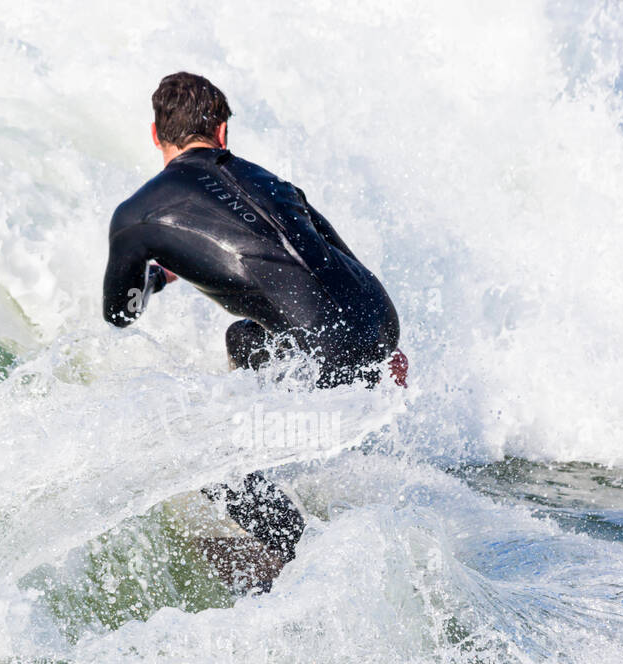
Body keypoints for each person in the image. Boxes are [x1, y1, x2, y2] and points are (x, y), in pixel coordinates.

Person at [102, 72, 405, 578]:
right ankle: (265, 438)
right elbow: (334, 255)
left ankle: (299, 557)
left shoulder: (136, 216)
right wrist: (382, 350)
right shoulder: (275, 183)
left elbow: (120, 314)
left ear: (156, 135)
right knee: (242, 338)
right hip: (381, 326)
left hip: (326, 357)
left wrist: (152, 279)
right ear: (222, 133)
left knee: (200, 450)